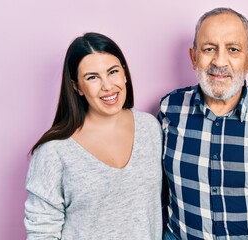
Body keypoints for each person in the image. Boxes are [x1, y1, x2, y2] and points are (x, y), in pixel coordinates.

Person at [158, 7, 248, 240]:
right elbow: (159, 191)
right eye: (208, 49)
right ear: (194, 57)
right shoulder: (169, 109)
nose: (219, 61)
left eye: (233, 50)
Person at [24, 32, 163, 239]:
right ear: (77, 86)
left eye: (112, 72)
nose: (107, 86)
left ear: (125, 74)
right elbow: (41, 232)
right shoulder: (54, 151)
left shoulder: (150, 128)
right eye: (92, 77)